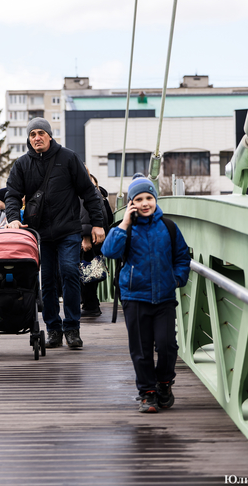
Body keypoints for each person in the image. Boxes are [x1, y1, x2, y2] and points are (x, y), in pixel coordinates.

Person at [5, 118, 105, 350]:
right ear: (28, 139)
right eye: (32, 134)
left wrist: (97, 224)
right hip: (39, 233)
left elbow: (89, 192)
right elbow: (12, 194)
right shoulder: (22, 164)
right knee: (47, 281)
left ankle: (72, 327)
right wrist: (12, 219)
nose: (37, 138)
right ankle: (53, 329)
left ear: (49, 135)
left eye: (41, 133)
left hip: (68, 229)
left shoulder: (68, 158)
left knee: (69, 272)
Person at [101, 177, 191, 413]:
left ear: (156, 200)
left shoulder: (169, 227)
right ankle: (147, 393)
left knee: (167, 345)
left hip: (164, 297)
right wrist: (124, 224)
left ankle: (164, 384)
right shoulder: (125, 228)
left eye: (149, 198)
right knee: (141, 349)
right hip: (135, 297)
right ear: (131, 203)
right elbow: (109, 251)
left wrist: (177, 278)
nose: (144, 203)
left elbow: (182, 257)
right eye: (138, 199)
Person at [81, 172, 113, 317]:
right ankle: (91, 304)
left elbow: (86, 215)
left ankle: (91, 305)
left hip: (89, 238)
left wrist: (86, 238)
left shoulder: (86, 192)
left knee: (87, 271)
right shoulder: (99, 194)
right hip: (98, 238)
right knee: (90, 271)